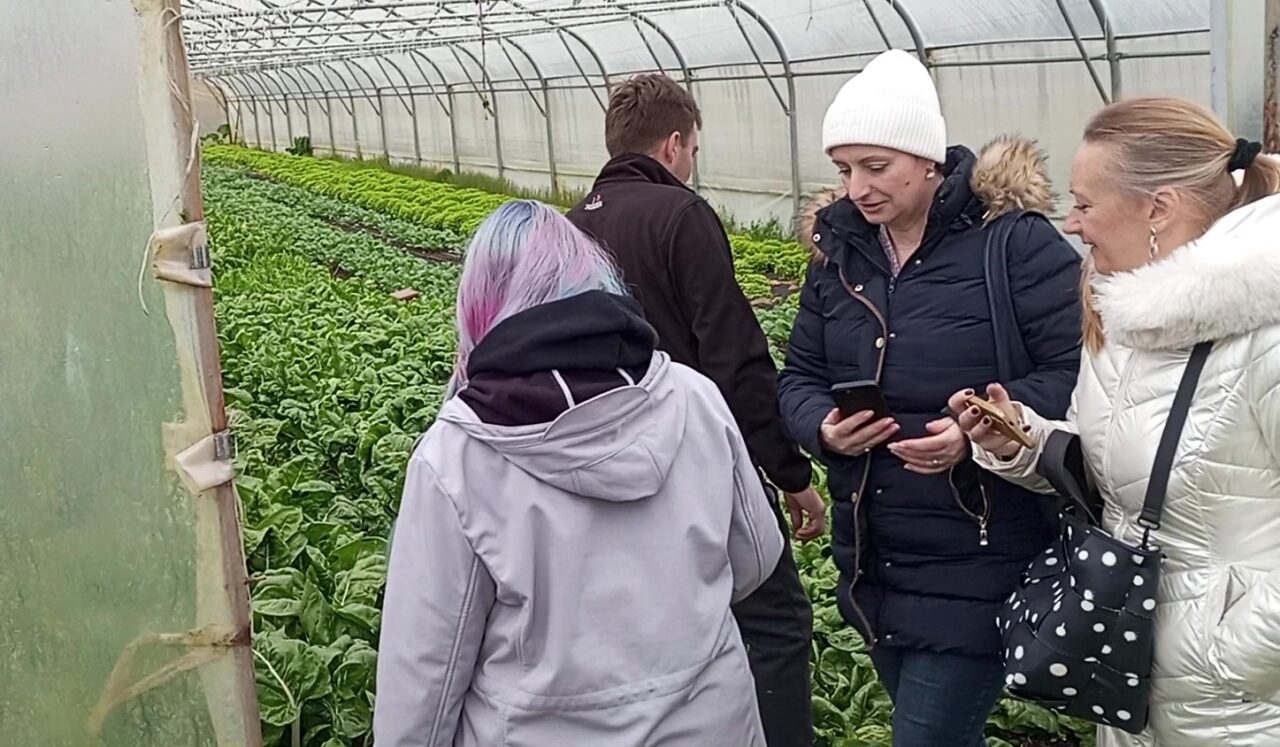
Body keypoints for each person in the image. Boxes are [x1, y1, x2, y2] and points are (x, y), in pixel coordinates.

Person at [373, 200, 784, 747]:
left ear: (480, 305)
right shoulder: (693, 396)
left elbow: (427, 667)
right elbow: (755, 556)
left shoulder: (459, 452)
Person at [778, 50, 1083, 746]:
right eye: (845, 170)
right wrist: (823, 428)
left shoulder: (1014, 246)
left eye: (876, 166)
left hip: (984, 556)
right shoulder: (840, 258)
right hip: (874, 559)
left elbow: (1079, 371)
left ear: (926, 160)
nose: (858, 188)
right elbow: (797, 377)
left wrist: (980, 430)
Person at [955, 97, 1280, 747]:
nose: (1070, 223)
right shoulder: (1124, 315)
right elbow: (1117, 471)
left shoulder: (1264, 335)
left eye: (1084, 203)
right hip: (1132, 674)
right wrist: (1023, 442)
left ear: (1158, 208)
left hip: (1241, 702)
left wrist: (1231, 655)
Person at [566, 72, 822, 745]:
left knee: (662, 627)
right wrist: (788, 473)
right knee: (774, 621)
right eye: (694, 151)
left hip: (601, 470)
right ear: (674, 144)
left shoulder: (570, 224)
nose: (691, 163)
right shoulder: (681, 215)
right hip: (694, 462)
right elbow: (734, 356)